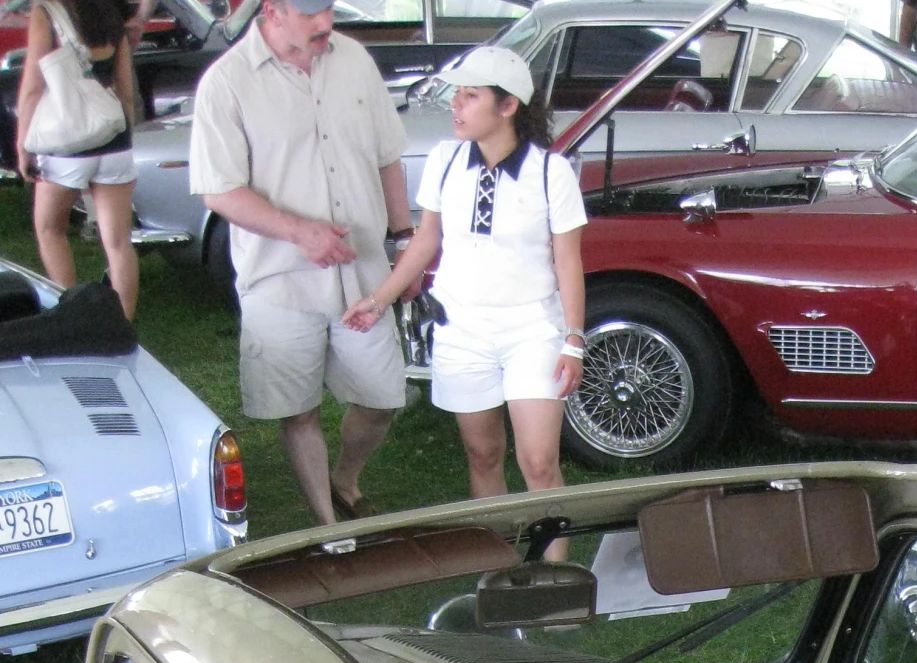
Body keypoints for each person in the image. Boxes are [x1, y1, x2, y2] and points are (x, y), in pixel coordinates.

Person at [189, 0, 414, 526]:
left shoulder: (355, 59)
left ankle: (345, 479)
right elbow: (219, 191)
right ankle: (327, 522)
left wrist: (404, 240)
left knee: (382, 399)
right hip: (280, 277)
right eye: (311, 13)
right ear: (272, 9)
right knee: (299, 408)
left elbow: (387, 157)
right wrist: (298, 232)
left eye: (329, 9)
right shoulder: (227, 83)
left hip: (362, 272)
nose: (325, 24)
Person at [344, 48, 584, 518]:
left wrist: (573, 339)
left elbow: (568, 261)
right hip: (461, 329)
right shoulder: (445, 160)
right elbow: (425, 239)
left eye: (470, 96)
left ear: (508, 105)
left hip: (532, 328)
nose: (455, 105)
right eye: (457, 94)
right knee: (482, 455)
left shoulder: (550, 171)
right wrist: (378, 300)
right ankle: (502, 569)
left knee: (538, 462)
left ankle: (556, 578)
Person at [16, 0, 140, 320]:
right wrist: (123, 133)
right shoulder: (110, 11)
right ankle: (123, 323)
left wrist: (23, 145)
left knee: (50, 229)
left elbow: (32, 87)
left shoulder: (47, 13)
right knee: (117, 242)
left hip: (67, 144)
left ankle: (72, 315)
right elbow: (125, 87)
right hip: (115, 138)